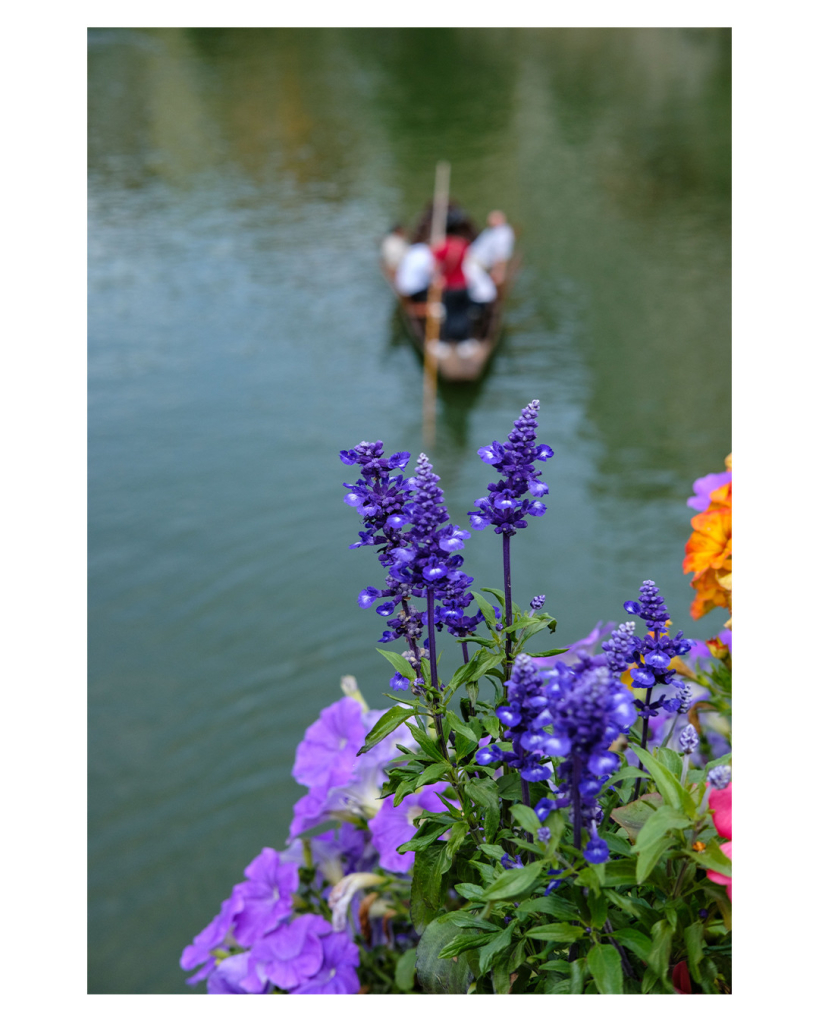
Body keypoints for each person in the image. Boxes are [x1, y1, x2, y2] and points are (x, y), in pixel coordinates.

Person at [468, 210, 515, 285]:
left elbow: (501, 255)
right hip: (471, 261)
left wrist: (498, 273)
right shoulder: (493, 230)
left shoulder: (502, 234)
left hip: (476, 266)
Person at [394, 240, 434, 316]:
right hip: (413, 289)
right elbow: (430, 276)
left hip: (401, 284)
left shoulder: (416, 249)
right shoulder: (427, 257)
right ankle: (420, 309)